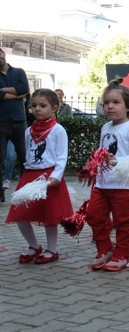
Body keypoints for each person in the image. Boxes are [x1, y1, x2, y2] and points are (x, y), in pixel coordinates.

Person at [86, 78, 129, 272]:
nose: (110, 107)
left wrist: (117, 161)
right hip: (103, 183)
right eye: (106, 103)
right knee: (93, 216)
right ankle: (105, 250)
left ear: (128, 106)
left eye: (116, 102)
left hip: (124, 185)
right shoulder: (105, 127)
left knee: (123, 222)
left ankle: (122, 255)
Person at [5, 89, 73, 264]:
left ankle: (52, 250)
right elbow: (28, 153)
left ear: (54, 108)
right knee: (19, 211)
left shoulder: (58, 130)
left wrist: (56, 176)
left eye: (42, 105)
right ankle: (34, 246)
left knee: (49, 215)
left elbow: (61, 156)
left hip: (49, 177)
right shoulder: (28, 131)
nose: (37, 109)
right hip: (30, 175)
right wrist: (26, 172)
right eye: (33, 105)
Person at [0, 47, 30, 203]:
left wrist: (3, 90)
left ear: (3, 54)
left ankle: (27, 190)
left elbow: (25, 89)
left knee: (24, 156)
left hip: (19, 121)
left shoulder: (19, 72)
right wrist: (17, 94)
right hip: (1, 122)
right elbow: (21, 91)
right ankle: (1, 192)